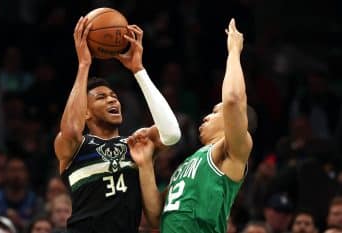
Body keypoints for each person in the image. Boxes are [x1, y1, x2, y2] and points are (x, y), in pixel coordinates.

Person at [127, 19, 257, 233]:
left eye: (215, 112)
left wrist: (234, 50)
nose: (206, 117)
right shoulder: (191, 163)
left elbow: (233, 99)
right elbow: (155, 217)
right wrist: (145, 165)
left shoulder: (232, 151)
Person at [53, 16, 181, 233]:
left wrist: (139, 70)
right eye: (101, 97)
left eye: (113, 96)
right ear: (85, 112)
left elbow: (172, 134)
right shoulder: (75, 147)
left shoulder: (135, 144)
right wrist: (84, 64)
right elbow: (72, 129)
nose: (112, 100)